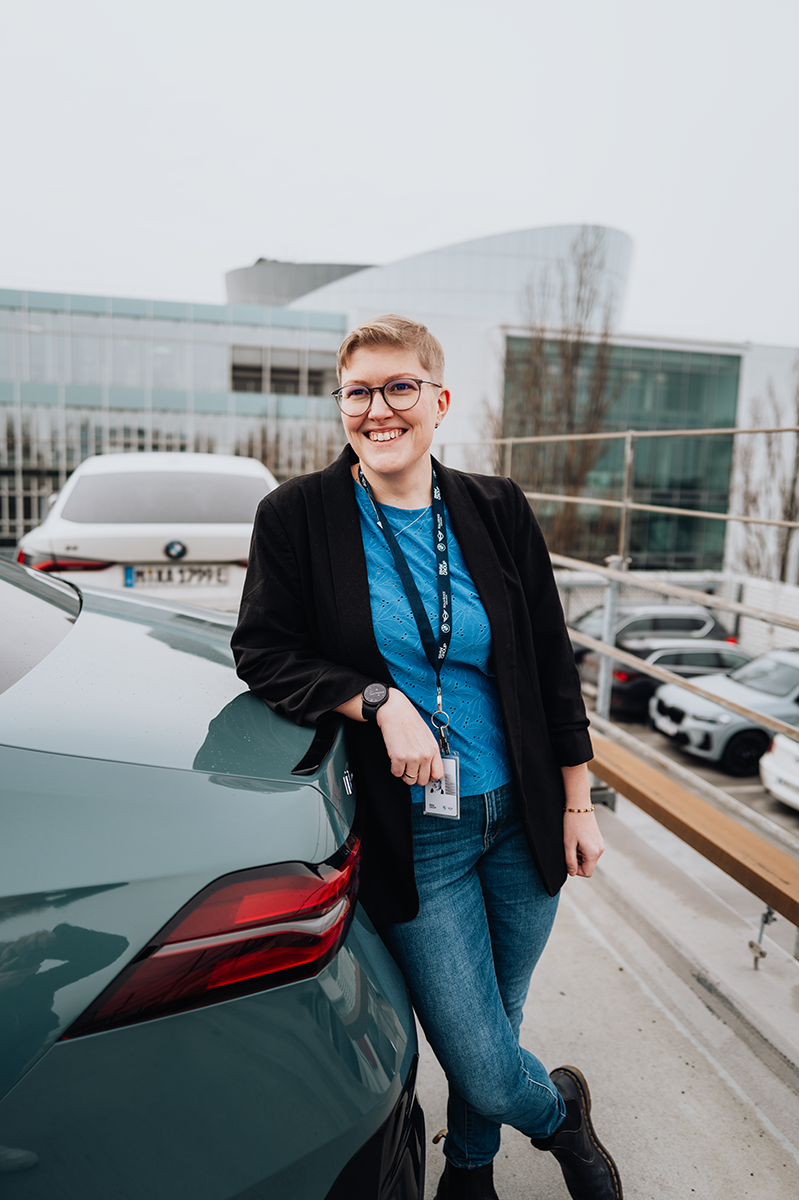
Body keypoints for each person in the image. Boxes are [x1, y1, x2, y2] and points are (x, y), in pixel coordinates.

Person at [232, 315, 622, 1200]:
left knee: (496, 1014)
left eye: (400, 386)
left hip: (520, 815)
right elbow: (263, 650)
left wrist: (576, 804)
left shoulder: (496, 507)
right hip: (420, 832)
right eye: (360, 391)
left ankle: (471, 1171)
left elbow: (552, 667)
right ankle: (561, 1114)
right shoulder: (296, 516)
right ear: (342, 407)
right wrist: (377, 700)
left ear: (438, 401)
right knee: (482, 1059)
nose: (381, 409)